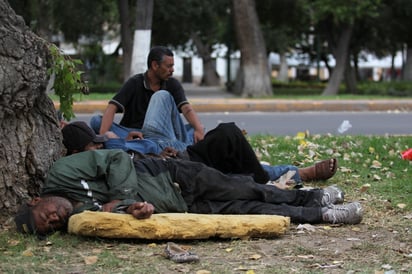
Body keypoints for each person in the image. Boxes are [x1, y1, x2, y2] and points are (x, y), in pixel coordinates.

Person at [14, 148, 362, 237]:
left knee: (250, 189)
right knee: (250, 211)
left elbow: (117, 157)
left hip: (175, 176)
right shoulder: (80, 217)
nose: (56, 219)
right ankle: (323, 214)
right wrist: (136, 211)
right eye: (52, 227)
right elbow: (122, 214)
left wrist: (122, 197)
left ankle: (313, 196)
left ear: (36, 200)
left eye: (47, 216)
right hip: (181, 206)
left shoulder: (63, 172)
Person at [64, 121, 338, 186]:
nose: (99, 148)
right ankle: (290, 175)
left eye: (99, 143)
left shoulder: (106, 147)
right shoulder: (91, 166)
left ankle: (286, 174)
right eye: (93, 146)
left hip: (180, 156)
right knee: (228, 136)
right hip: (178, 168)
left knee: (228, 146)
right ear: (76, 153)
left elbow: (114, 139)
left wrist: (130, 138)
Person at [94, 46, 204, 152]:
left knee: (197, 128)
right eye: (169, 66)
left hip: (163, 135)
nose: (172, 70)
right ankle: (149, 146)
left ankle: (136, 145)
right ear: (155, 65)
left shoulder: (172, 84)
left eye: (172, 66)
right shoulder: (135, 82)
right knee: (96, 121)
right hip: (134, 133)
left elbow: (186, 108)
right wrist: (104, 135)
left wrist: (198, 129)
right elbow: (112, 107)